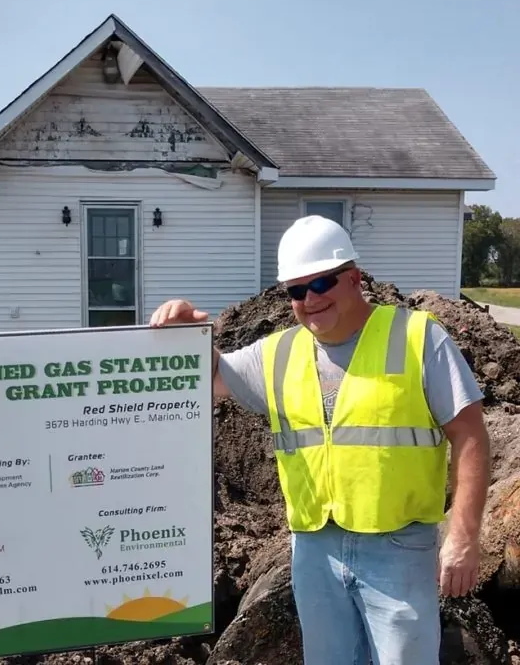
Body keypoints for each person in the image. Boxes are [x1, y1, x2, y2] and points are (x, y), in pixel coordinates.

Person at [149, 215, 490, 665]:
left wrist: (464, 537)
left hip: (398, 550)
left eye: (322, 283)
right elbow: (212, 372)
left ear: (353, 279)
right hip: (315, 551)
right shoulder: (278, 354)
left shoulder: (417, 338)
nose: (309, 300)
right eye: (295, 290)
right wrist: (185, 334)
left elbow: (470, 437)